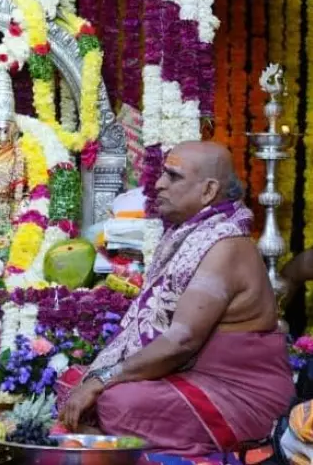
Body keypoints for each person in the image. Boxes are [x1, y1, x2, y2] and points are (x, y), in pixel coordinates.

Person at [59, 141, 292, 455]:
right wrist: (95, 380)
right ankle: (104, 440)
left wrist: (101, 380)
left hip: (234, 394)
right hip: (188, 376)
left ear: (209, 191)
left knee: (115, 404)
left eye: (174, 176)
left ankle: (106, 443)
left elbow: (182, 341)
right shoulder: (191, 235)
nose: (158, 183)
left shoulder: (226, 246)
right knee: (71, 382)